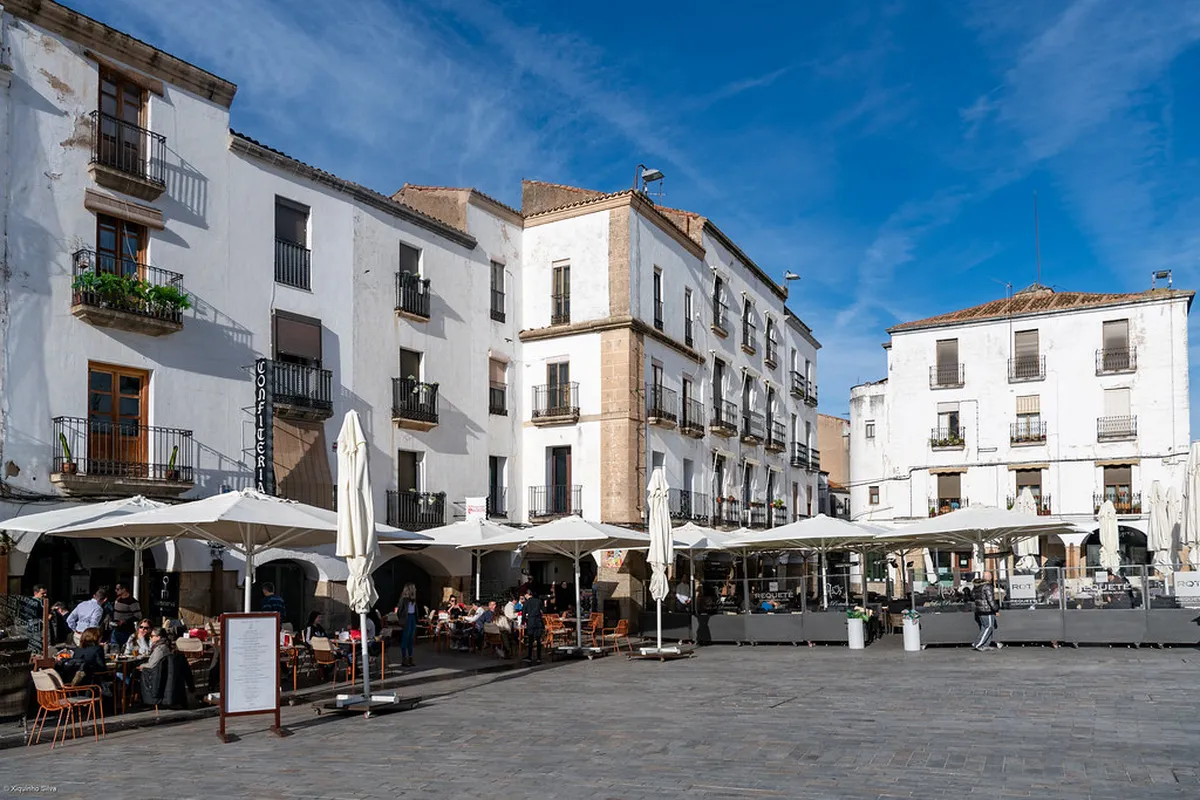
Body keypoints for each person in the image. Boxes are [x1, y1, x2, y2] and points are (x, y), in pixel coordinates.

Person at [972, 571, 1002, 652]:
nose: (991, 577)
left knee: (985, 627)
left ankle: (986, 645)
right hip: (987, 610)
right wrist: (996, 609)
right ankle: (978, 644)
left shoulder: (977, 586)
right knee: (989, 627)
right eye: (990, 576)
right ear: (989, 577)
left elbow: (973, 596)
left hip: (980, 609)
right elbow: (991, 600)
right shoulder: (987, 586)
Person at [110, 583, 141, 647]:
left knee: (125, 650)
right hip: (115, 629)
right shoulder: (117, 599)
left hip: (126, 631)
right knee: (114, 649)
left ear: (124, 590)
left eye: (118, 589)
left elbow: (138, 616)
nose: (116, 590)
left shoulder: (132, 602)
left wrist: (125, 621)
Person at [395, 583, 418, 667]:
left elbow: (415, 610)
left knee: (411, 638)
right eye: (414, 588)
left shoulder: (413, 599)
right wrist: (402, 620)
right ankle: (404, 658)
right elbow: (399, 611)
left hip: (412, 618)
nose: (415, 590)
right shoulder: (404, 600)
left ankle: (410, 657)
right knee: (405, 638)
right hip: (407, 619)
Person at [522, 589, 544, 665]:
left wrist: (523, 622)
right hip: (538, 621)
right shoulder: (539, 601)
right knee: (538, 640)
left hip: (531, 622)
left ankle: (529, 656)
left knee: (530, 640)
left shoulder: (526, 602)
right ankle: (538, 657)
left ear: (527, 594)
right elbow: (543, 610)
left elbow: (523, 613)